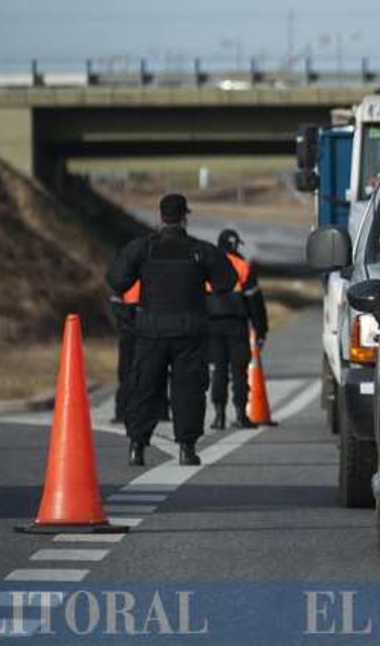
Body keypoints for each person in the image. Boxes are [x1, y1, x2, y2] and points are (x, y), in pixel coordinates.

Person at [107, 194, 236, 467]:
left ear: (160, 217)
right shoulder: (200, 250)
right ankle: (187, 449)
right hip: (189, 333)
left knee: (144, 388)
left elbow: (117, 280)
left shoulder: (143, 249)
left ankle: (136, 446)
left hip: (151, 331)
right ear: (185, 217)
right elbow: (226, 281)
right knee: (188, 390)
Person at [205, 229, 269, 431]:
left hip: (212, 326)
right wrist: (260, 330)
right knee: (239, 371)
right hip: (237, 325)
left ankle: (219, 417)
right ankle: (241, 415)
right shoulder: (243, 267)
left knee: (218, 370)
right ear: (236, 246)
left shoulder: (208, 266)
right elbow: (255, 303)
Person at [106, 280, 141, 424]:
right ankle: (123, 411)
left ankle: (127, 411)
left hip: (142, 323)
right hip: (135, 324)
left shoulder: (125, 265)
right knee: (127, 371)